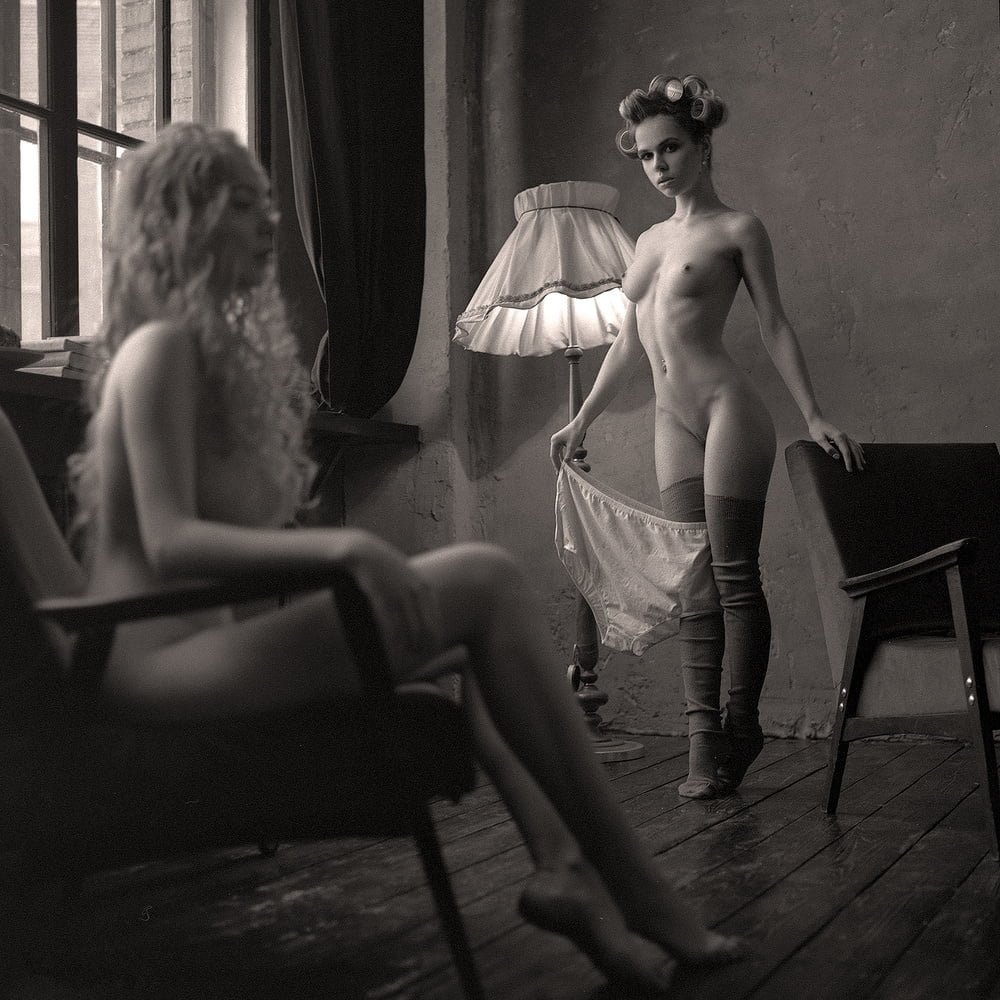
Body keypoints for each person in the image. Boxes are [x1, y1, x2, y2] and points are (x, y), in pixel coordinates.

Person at [67, 121, 741, 994]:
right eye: (240, 203)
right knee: (485, 580)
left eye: (267, 200)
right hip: (151, 665)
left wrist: (336, 559)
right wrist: (350, 547)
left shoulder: (210, 361)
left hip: (205, 648)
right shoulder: (159, 350)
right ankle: (631, 889)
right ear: (182, 218)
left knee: (479, 627)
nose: (269, 220)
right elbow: (168, 539)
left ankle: (570, 870)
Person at [551, 75, 865, 801]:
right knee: (694, 585)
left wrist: (814, 413)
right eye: (645, 155)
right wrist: (581, 419)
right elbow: (628, 342)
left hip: (729, 411)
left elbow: (774, 324)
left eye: (669, 149)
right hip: (672, 421)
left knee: (732, 576)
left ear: (702, 147)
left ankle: (741, 722)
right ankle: (703, 742)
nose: (657, 165)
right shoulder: (647, 242)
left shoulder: (738, 229)